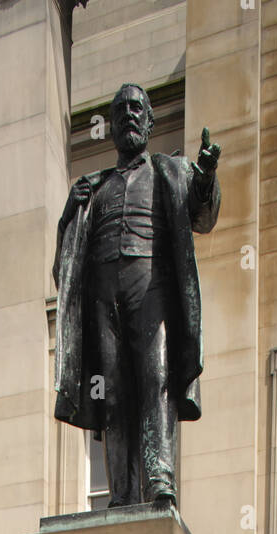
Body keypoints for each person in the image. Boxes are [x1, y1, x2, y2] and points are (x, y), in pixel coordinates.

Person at [53, 82, 221, 508]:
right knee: (111, 394)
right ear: (110, 127)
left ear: (149, 121)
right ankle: (123, 493)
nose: (129, 115)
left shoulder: (170, 171)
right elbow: (64, 269)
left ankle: (159, 480)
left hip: (151, 288)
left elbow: (202, 216)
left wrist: (206, 177)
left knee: (156, 380)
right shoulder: (93, 188)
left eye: (137, 108)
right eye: (121, 110)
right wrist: (71, 213)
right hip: (102, 296)